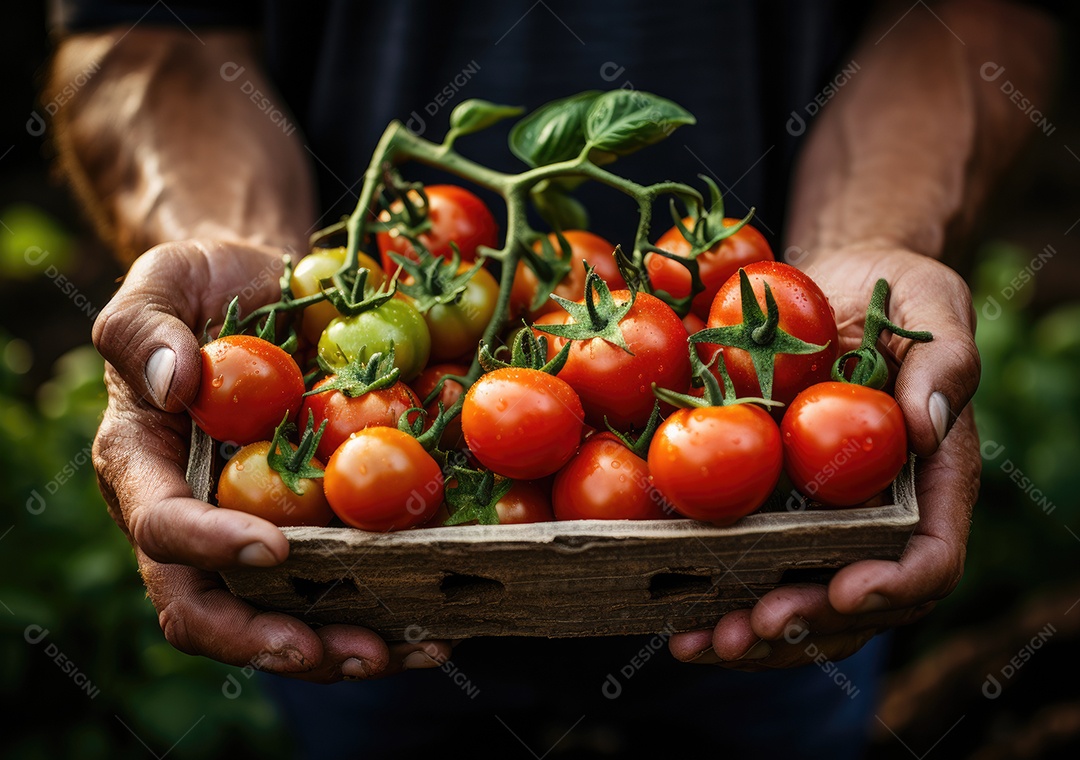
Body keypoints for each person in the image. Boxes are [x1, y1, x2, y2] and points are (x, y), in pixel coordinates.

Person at [46, 0, 1056, 756]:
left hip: (768, 571)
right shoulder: (421, 401)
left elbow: (980, 12)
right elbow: (140, 31)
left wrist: (871, 244)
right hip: (361, 589)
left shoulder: (591, 371)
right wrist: (222, 252)